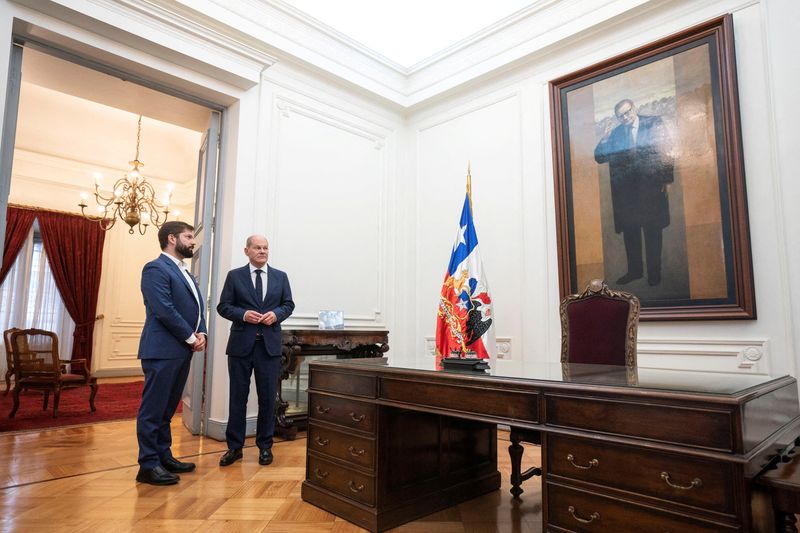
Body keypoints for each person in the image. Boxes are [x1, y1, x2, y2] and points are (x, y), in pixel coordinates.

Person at [136, 221, 207, 485]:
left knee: (167, 408)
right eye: (188, 237)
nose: (193, 242)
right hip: (162, 349)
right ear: (171, 239)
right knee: (153, 410)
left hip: (181, 349)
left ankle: (164, 456)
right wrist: (191, 337)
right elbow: (163, 308)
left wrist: (202, 332)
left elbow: (198, 307)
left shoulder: (185, 271)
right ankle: (148, 464)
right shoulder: (155, 268)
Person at [217, 235, 295, 467]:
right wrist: (243, 314)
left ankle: (265, 447)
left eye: (265, 248)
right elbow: (223, 306)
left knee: (267, 399)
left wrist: (276, 315)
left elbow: (288, 304)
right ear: (247, 250)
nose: (262, 251)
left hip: (269, 348)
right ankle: (235, 448)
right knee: (237, 398)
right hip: (241, 347)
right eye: (257, 248)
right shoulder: (234, 276)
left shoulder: (281, 277)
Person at [594, 98, 674, 286]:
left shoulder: (653, 122)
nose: (626, 117)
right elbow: (599, 157)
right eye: (621, 115)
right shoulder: (614, 134)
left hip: (650, 189)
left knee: (652, 231)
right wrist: (604, 140)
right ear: (618, 118)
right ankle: (635, 271)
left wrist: (666, 179)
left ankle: (654, 274)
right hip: (626, 195)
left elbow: (667, 148)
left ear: (634, 108)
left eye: (628, 111)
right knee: (631, 232)